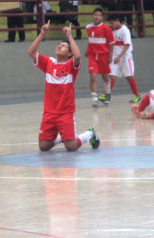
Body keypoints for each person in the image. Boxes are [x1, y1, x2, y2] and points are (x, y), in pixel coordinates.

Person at [27, 20, 100, 152]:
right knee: (43, 146)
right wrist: (42, 35)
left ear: (69, 53)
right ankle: (62, 137)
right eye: (59, 45)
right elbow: (31, 52)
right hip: (49, 112)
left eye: (63, 46)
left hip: (65, 113)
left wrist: (69, 36)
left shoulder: (71, 66)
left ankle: (90, 134)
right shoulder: (49, 62)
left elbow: (78, 56)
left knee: (71, 147)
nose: (59, 47)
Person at [106, 14, 141, 103]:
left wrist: (119, 56)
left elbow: (127, 45)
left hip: (125, 56)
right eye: (110, 23)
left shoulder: (124, 30)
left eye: (112, 23)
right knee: (111, 76)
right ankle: (106, 97)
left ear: (117, 20)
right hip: (115, 56)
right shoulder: (111, 30)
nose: (111, 25)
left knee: (129, 76)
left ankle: (137, 96)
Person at [86, 8, 115, 107]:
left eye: (99, 15)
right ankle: (94, 98)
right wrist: (87, 51)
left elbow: (111, 44)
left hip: (103, 55)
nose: (97, 17)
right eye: (95, 15)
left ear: (102, 18)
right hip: (93, 55)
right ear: (92, 16)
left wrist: (110, 56)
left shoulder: (106, 28)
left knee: (105, 77)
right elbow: (91, 41)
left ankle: (107, 94)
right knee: (93, 76)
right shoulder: (88, 27)